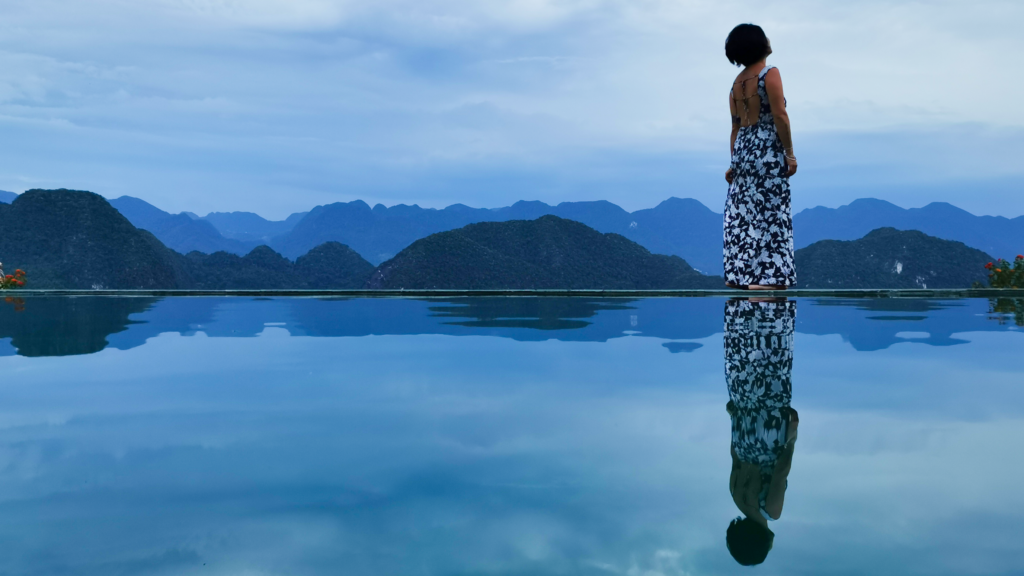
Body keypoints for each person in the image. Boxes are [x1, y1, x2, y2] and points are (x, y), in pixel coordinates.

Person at [724, 298, 799, 565]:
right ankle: (747, 306)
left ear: (761, 544)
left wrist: (792, 438)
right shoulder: (735, 495)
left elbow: (781, 471)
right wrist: (735, 416)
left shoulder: (770, 512)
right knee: (746, 356)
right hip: (744, 416)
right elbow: (734, 454)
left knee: (773, 357)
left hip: (770, 425)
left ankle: (771, 300)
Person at [723, 24, 797, 290]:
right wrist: (789, 154)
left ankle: (740, 274)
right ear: (759, 44)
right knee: (772, 212)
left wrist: (734, 163)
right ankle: (768, 279)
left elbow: (735, 128)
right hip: (767, 149)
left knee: (744, 214)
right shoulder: (770, 74)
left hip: (743, 149)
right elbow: (780, 116)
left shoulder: (736, 85)